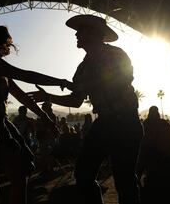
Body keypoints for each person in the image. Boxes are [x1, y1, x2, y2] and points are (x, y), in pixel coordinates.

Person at [28, 15, 143, 204]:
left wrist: (82, 86)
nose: (76, 34)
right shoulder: (82, 68)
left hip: (125, 123)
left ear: (93, 33)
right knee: (83, 173)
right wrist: (49, 97)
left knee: (124, 179)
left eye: (80, 31)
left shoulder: (115, 54)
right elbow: (76, 100)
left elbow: (122, 81)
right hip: (105, 123)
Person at [0, 25, 72, 204]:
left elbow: (22, 97)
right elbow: (27, 76)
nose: (10, 45)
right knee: (16, 174)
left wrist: (45, 117)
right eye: (7, 41)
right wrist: (60, 82)